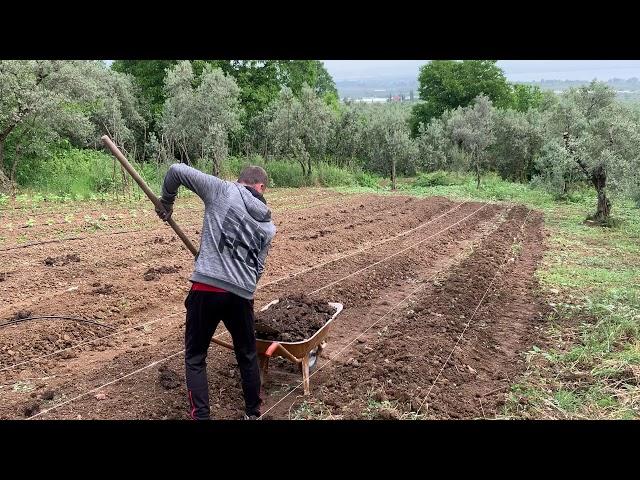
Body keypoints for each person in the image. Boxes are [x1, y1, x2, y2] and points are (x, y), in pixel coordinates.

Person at [156, 164, 276, 420]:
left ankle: (201, 417)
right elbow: (259, 267)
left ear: (240, 180)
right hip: (242, 295)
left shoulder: (222, 190)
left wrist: (167, 202)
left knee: (196, 357)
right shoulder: (268, 226)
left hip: (207, 287)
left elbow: (175, 170)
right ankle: (253, 414)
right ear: (260, 187)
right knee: (246, 355)